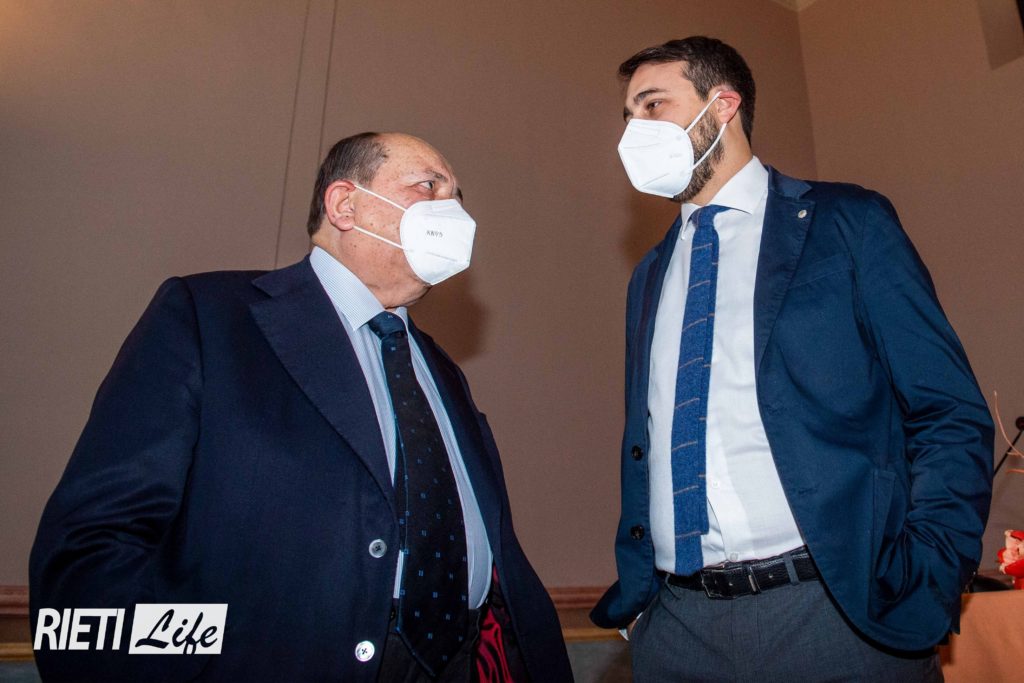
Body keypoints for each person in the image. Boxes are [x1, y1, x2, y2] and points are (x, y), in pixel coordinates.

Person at [31, 132, 572, 682]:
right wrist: (205, 660)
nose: (452, 212)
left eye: (457, 197)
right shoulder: (210, 318)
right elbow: (96, 545)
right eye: (429, 187)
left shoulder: (441, 369)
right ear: (345, 205)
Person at [590, 37, 993, 681]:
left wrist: (932, 571)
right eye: (628, 115)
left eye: (653, 104)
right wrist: (647, 610)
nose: (632, 132)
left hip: (838, 614)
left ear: (723, 105)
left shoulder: (847, 222)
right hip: (679, 628)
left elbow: (946, 411)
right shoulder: (651, 274)